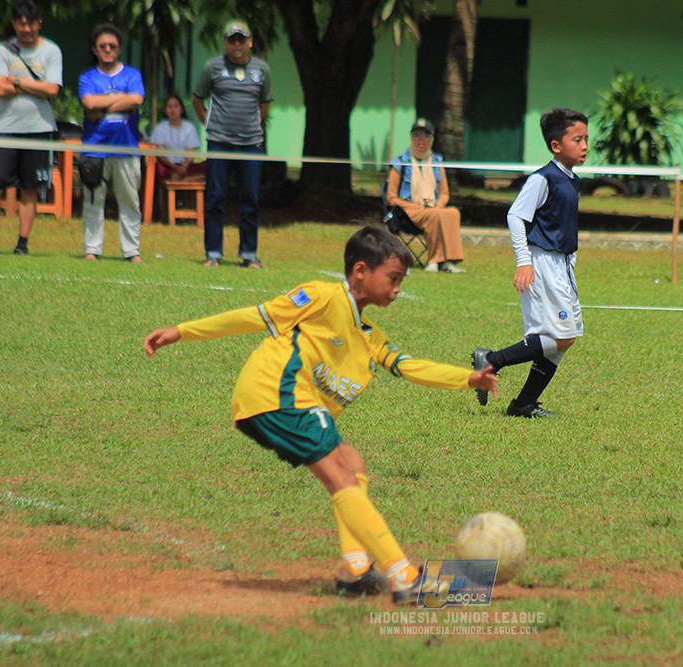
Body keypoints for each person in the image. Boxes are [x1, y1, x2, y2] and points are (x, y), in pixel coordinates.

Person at [143, 226, 498, 602]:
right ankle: (404, 577)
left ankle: (355, 570)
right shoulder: (322, 296)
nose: (397, 289)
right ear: (360, 270)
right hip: (277, 395)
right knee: (341, 478)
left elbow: (407, 365)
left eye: (401, 281)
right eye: (393, 278)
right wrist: (181, 332)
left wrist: (468, 379)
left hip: (289, 402)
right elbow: (256, 316)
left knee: (351, 463)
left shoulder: (369, 335)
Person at [471, 108, 588, 418]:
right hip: (543, 265)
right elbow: (515, 216)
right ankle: (492, 361)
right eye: (577, 139)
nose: (585, 146)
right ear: (556, 145)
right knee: (561, 336)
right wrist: (524, 262)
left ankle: (523, 403)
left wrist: (570, 260)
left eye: (586, 139)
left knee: (565, 339)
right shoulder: (542, 178)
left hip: (561, 266)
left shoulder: (572, 180)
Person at [0, 0, 62, 256]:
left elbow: (53, 89)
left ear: (39, 23)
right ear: (14, 24)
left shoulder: (51, 51)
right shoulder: (3, 50)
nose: (26, 29)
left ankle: (22, 245)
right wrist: (36, 86)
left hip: (39, 130)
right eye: (21, 24)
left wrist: (17, 82)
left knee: (30, 188)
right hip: (6, 129)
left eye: (31, 24)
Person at [192, 20, 273, 269]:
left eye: (241, 39)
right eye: (232, 40)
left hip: (251, 145)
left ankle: (249, 253)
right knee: (216, 197)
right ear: (225, 42)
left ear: (250, 42)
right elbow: (197, 99)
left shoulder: (261, 69)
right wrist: (210, 125)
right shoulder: (213, 67)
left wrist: (252, 128)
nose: (237, 44)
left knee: (250, 198)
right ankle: (213, 253)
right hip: (219, 143)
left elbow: (265, 105)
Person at [78, 23, 145, 262]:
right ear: (95, 49)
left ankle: (132, 252)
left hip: (126, 149)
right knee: (93, 202)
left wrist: (103, 108)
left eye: (112, 46)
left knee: (130, 203)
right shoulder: (88, 78)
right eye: (102, 46)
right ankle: (92, 250)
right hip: (94, 150)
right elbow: (89, 103)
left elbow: (137, 99)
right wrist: (122, 100)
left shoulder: (132, 75)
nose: (107, 49)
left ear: (120, 49)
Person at [386, 119, 465, 273]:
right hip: (408, 211)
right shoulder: (400, 163)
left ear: (432, 138)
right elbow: (392, 198)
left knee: (452, 213)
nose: (421, 139)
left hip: (432, 207)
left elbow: (444, 194)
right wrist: (417, 206)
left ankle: (449, 261)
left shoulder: (437, 162)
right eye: (416, 134)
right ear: (411, 137)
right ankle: (434, 259)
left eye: (425, 135)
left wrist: (438, 205)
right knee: (434, 215)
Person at [149, 95, 205, 181]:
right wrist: (176, 168)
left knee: (205, 166)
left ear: (182, 109)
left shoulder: (190, 127)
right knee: (155, 168)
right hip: (168, 167)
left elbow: (190, 156)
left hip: (186, 167)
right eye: (169, 107)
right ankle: (185, 178)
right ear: (165, 110)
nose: (173, 110)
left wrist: (182, 168)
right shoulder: (160, 127)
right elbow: (161, 155)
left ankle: (181, 177)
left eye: (176, 106)